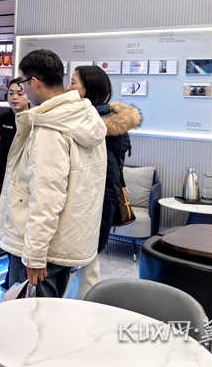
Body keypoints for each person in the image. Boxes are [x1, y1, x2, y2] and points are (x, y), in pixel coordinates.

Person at [0, 49, 107, 298]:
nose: (22, 90)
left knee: (26, 316)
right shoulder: (86, 118)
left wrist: (34, 255)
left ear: (34, 82)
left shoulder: (49, 128)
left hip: (42, 252)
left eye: (23, 83)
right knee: (50, 314)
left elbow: (46, 198)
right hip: (67, 242)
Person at [65, 65, 142, 299]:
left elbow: (109, 185)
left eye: (73, 83)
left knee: (81, 269)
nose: (68, 87)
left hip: (89, 215)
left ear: (89, 88)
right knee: (87, 271)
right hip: (88, 215)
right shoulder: (97, 122)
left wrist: (98, 233)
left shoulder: (97, 131)